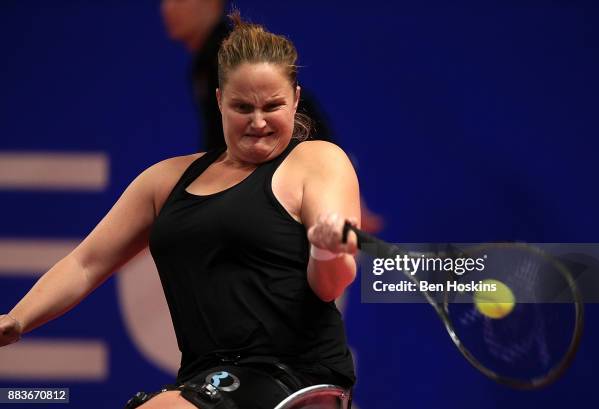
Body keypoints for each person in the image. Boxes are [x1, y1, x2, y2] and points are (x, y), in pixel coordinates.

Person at [0, 12, 359, 409]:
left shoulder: (318, 160)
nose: (258, 122)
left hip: (297, 381)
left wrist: (328, 250)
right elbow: (86, 262)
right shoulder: (164, 180)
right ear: (219, 101)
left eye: (272, 105)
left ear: (295, 98)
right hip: (206, 380)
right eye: (242, 107)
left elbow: (332, 283)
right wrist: (16, 321)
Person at [161, 0, 382, 233]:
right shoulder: (204, 64)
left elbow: (310, 114)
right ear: (219, 98)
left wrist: (337, 186)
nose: (168, 8)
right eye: (243, 107)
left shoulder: (226, 57)